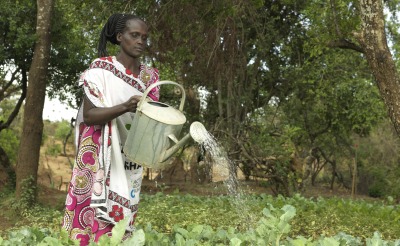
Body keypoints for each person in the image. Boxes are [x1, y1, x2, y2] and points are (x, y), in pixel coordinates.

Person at [61, 13, 160, 245]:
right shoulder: (101, 69)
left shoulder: (150, 77)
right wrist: (125, 106)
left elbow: (153, 121)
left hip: (129, 154)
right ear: (119, 36)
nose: (140, 41)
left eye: (144, 37)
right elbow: (90, 115)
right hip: (96, 152)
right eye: (134, 35)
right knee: (88, 213)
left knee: (122, 215)